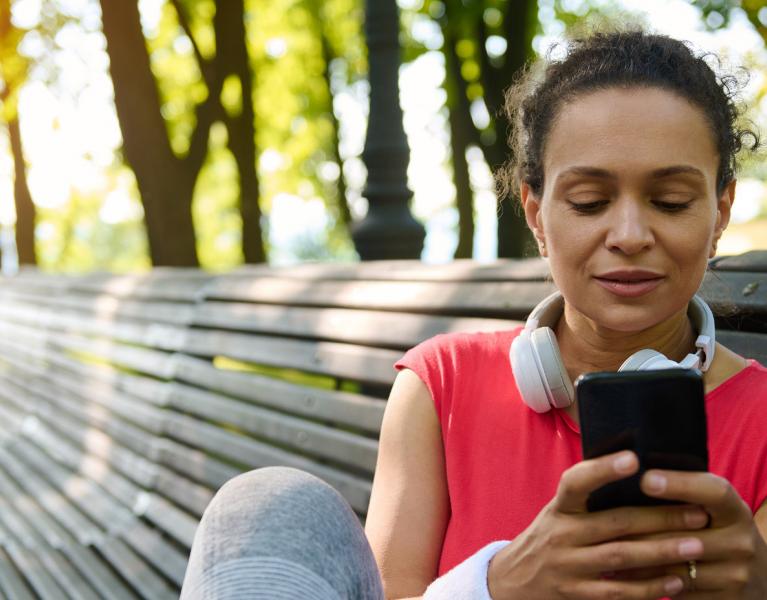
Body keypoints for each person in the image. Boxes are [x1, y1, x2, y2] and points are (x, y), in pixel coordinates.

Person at [179, 29, 767, 599]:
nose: (631, 234)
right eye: (589, 202)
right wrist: (499, 586)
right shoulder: (442, 386)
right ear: (536, 216)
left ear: (719, 212)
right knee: (266, 503)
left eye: (671, 202)